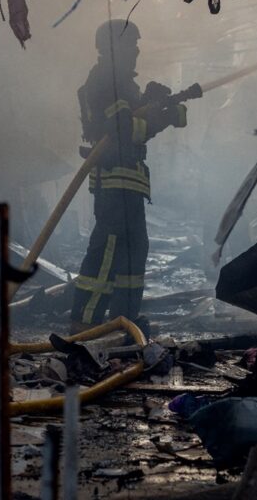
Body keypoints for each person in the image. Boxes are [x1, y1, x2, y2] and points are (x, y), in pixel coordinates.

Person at [69, 20, 198, 332]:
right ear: (114, 47)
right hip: (113, 181)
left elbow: (137, 124)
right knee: (107, 252)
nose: (137, 50)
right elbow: (123, 130)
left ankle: (122, 322)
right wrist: (160, 116)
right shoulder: (104, 79)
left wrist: (159, 107)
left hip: (130, 182)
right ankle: (84, 323)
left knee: (134, 254)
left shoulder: (125, 84)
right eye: (131, 44)